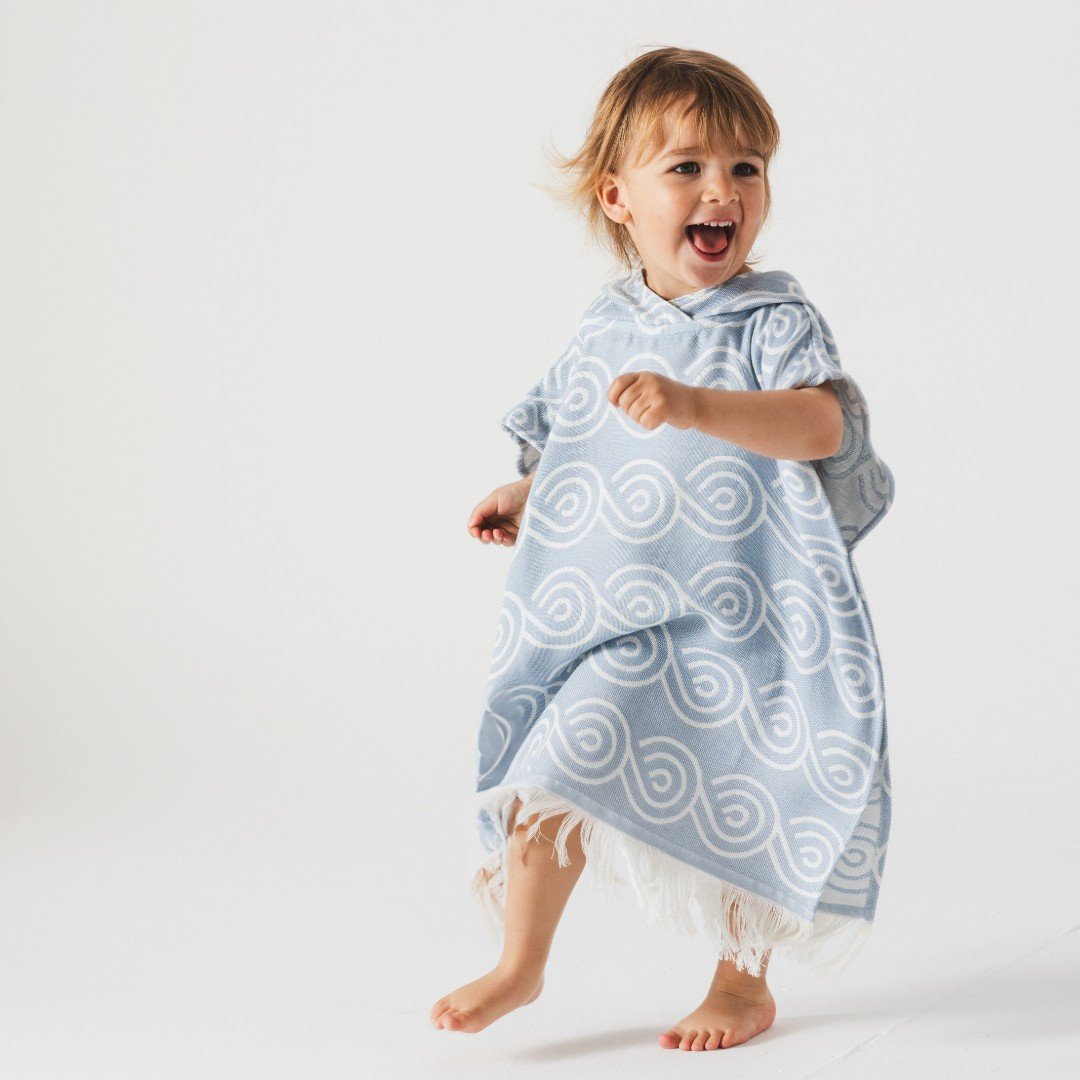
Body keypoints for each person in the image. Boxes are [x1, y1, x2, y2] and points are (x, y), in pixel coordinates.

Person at [431, 46, 896, 1052]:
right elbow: (582, 446)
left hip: (752, 615)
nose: (721, 191)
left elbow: (821, 426)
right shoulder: (603, 327)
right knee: (558, 755)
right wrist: (532, 492)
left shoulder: (773, 320)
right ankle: (521, 960)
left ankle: (742, 982)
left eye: (746, 168)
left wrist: (696, 404)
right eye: (685, 167)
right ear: (617, 196)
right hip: (628, 615)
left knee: (749, 783)